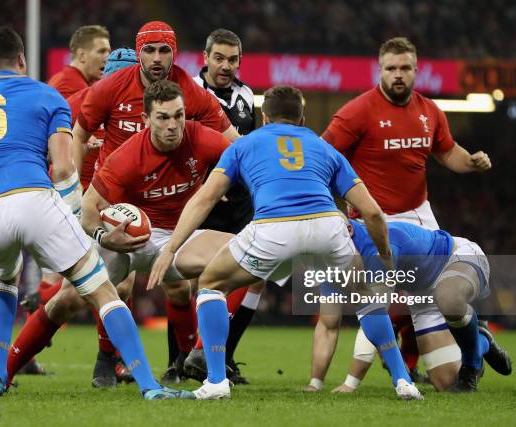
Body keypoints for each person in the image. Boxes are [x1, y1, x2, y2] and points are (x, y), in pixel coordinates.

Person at [0, 26, 192, 400]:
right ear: (22, 61)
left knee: (3, 278)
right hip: (33, 197)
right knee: (100, 288)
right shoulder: (48, 96)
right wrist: (84, 224)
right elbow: (64, 169)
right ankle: (149, 386)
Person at [148, 86, 422, 400]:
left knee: (211, 281)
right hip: (328, 227)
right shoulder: (323, 148)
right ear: (302, 118)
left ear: (264, 118)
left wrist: (170, 247)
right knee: (367, 299)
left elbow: (205, 199)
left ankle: (215, 382)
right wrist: (384, 255)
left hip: (273, 227)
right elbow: (372, 212)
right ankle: (404, 382)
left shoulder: (245, 143)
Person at [4, 80, 246, 390]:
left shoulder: (201, 138)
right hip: (126, 240)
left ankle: (196, 357)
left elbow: (244, 158)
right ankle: (3, 375)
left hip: (179, 236)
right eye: (163, 117)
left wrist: (224, 182)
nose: (173, 125)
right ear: (145, 120)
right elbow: (89, 211)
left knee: (246, 256)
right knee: (66, 301)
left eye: (179, 115)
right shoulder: (127, 157)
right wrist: (107, 240)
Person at [318, 36, 492, 389]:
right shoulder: (356, 112)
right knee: (382, 299)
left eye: (405, 68)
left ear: (416, 70)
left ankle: (467, 338)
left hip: (420, 217)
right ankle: (407, 364)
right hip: (376, 221)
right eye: (391, 68)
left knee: (424, 301)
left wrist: (471, 162)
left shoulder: (430, 111)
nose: (398, 75)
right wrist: (334, 208)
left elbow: (448, 153)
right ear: (379, 70)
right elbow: (322, 159)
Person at [71, 21, 240, 377]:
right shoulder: (110, 88)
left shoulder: (189, 91)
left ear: (175, 52)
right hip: (119, 196)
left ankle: (181, 362)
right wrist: (72, 185)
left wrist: (219, 181)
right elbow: (78, 129)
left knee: (179, 288)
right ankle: (107, 360)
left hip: (170, 203)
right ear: (138, 53)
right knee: (108, 286)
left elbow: (231, 142)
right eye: (150, 50)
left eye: (165, 50)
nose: (158, 57)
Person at [15, 49, 140, 389]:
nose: (129, 88)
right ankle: (11, 363)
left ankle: (106, 360)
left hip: (118, 206)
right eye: (120, 78)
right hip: (75, 205)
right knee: (82, 291)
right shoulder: (78, 105)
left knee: (116, 284)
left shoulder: (144, 110)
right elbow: (43, 148)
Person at [309, 220, 512, 392]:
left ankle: (471, 364)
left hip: (456, 258)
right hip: (421, 292)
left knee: (449, 299)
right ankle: (482, 340)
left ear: (349, 230)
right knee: (446, 382)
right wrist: (315, 384)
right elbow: (328, 322)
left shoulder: (378, 246)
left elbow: (374, 316)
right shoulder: (333, 260)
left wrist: (350, 383)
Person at [181, 28, 258, 385]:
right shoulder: (190, 93)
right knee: (195, 280)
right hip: (203, 195)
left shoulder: (245, 94)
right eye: (219, 58)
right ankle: (182, 358)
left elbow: (247, 147)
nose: (226, 66)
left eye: (233, 59)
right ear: (205, 58)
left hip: (239, 200)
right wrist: (207, 184)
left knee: (251, 274)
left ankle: (220, 356)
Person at [48, 25, 111, 98]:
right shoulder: (70, 86)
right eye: (101, 51)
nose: (108, 58)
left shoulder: (62, 78)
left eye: (109, 52)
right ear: (82, 55)